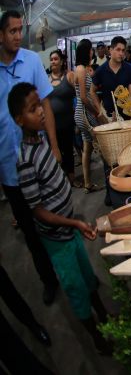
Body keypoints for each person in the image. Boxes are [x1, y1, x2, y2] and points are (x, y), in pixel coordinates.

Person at [10, 83, 113, 355]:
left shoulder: (41, 140)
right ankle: (96, 338)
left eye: (40, 106)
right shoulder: (24, 160)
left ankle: (104, 316)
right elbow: (38, 211)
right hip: (58, 237)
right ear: (19, 120)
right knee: (76, 288)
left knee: (88, 275)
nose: (42, 113)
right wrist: (74, 223)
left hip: (71, 229)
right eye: (33, 110)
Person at [0, 10, 60, 304]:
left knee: (54, 218)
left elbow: (46, 106)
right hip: (9, 167)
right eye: (11, 31)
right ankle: (48, 279)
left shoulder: (32, 61)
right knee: (30, 229)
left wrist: (56, 149)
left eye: (19, 30)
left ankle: (67, 267)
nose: (16, 35)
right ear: (0, 34)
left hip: (39, 159)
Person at [74, 39, 104, 193]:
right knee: (102, 142)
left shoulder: (83, 68)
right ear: (86, 51)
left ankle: (88, 183)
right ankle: (110, 175)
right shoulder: (80, 69)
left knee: (87, 147)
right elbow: (84, 97)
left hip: (82, 111)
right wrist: (95, 111)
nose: (92, 52)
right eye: (90, 50)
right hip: (84, 112)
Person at [48, 49, 78, 187]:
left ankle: (71, 179)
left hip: (67, 123)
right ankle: (60, 180)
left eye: (55, 59)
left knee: (68, 151)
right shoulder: (45, 79)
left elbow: (79, 96)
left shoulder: (69, 76)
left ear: (61, 61)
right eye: (51, 59)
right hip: (52, 124)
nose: (53, 62)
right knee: (56, 152)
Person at [91, 36, 131, 118]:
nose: (121, 53)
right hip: (109, 117)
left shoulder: (129, 68)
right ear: (110, 50)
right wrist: (100, 110)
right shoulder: (101, 70)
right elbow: (92, 91)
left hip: (127, 116)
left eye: (123, 50)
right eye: (118, 50)